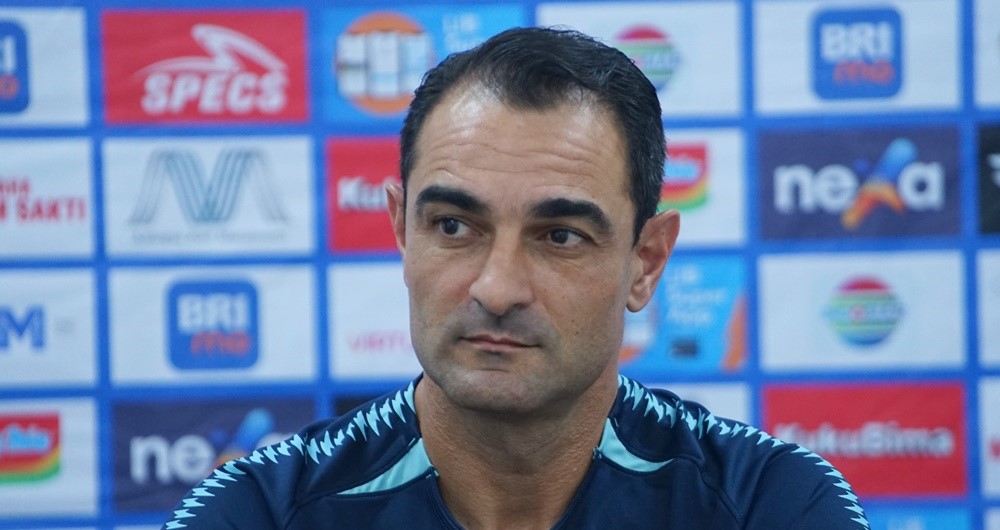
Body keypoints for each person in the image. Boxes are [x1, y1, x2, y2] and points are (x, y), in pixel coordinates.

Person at [165, 27, 869, 529]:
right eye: (453, 226)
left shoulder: (772, 506)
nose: (497, 289)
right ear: (401, 231)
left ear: (646, 261)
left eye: (560, 235)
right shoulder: (255, 513)